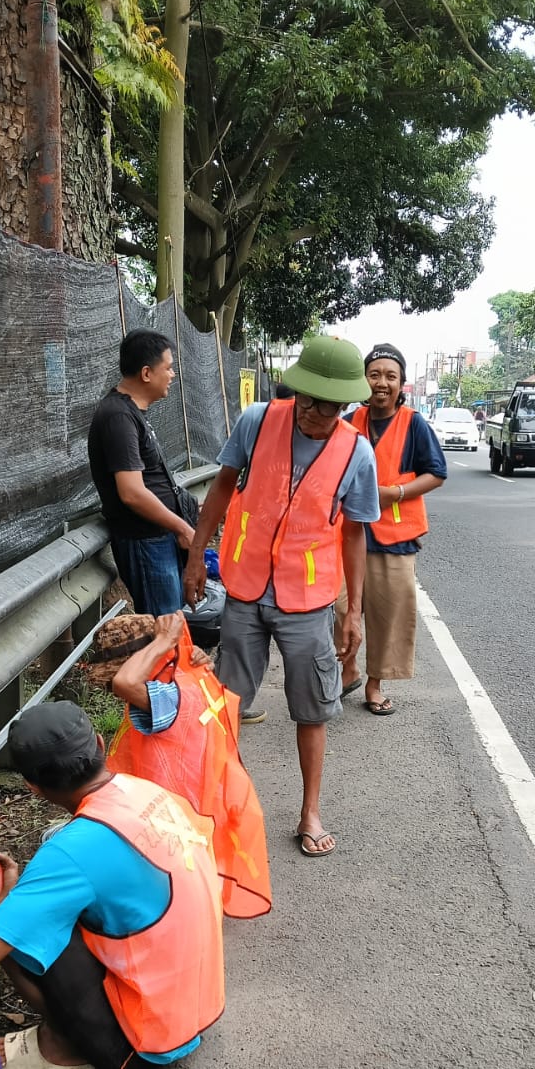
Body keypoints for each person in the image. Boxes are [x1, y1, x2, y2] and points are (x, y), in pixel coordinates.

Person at [0, 701, 224, 1069]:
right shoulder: (148, 792)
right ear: (98, 742)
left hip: (140, 1049)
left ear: (32, 786)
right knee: (31, 914)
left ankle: (68, 1045)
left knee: (9, 931)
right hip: (196, 1010)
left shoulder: (71, 850)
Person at [183, 336, 380, 859]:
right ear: (299, 392)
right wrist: (195, 555)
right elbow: (223, 488)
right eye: (313, 402)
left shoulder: (356, 451)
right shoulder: (257, 420)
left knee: (313, 708)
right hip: (244, 587)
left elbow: (357, 532)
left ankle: (310, 810)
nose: (320, 416)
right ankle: (215, 809)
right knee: (225, 705)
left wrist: (352, 612)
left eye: (335, 407)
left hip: (308, 597)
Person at [90, 610, 271, 919]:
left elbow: (124, 682)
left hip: (172, 814)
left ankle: (182, 915)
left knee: (174, 880)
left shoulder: (163, 696)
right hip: (199, 801)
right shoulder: (188, 678)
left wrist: (163, 641)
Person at [336, 343, 447, 715]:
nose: (381, 382)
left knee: (387, 614)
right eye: (374, 374)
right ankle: (348, 668)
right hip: (346, 532)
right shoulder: (349, 422)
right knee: (338, 607)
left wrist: (395, 493)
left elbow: (436, 474)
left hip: (394, 538)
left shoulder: (414, 423)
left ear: (402, 384)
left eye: (390, 376)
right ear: (363, 379)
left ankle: (374, 683)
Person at [87, 328, 196, 615]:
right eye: (168, 368)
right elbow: (132, 492)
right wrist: (182, 527)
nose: (172, 375)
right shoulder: (118, 416)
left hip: (158, 540)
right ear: (147, 373)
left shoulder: (132, 413)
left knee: (171, 628)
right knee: (164, 631)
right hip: (146, 543)